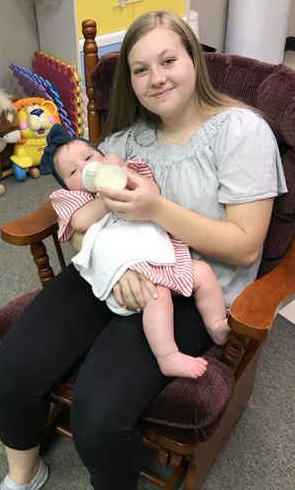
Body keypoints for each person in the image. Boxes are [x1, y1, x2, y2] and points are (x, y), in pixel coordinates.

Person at [0, 10, 287, 490]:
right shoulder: (120, 144)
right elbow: (82, 219)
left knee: (99, 409)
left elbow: (246, 247)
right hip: (109, 271)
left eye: (168, 60)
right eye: (140, 69)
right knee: (13, 368)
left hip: (185, 283)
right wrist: (111, 265)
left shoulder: (241, 132)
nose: (156, 78)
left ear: (194, 60)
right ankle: (22, 474)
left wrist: (156, 212)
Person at [47, 125, 231, 379]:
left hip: (162, 255)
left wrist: (121, 172)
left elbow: (152, 192)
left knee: (203, 272)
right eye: (72, 172)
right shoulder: (76, 199)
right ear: (67, 186)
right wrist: (106, 199)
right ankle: (168, 356)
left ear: (102, 155)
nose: (85, 168)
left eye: (88, 157)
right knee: (158, 296)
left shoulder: (126, 172)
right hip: (131, 269)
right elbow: (79, 222)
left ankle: (217, 324)